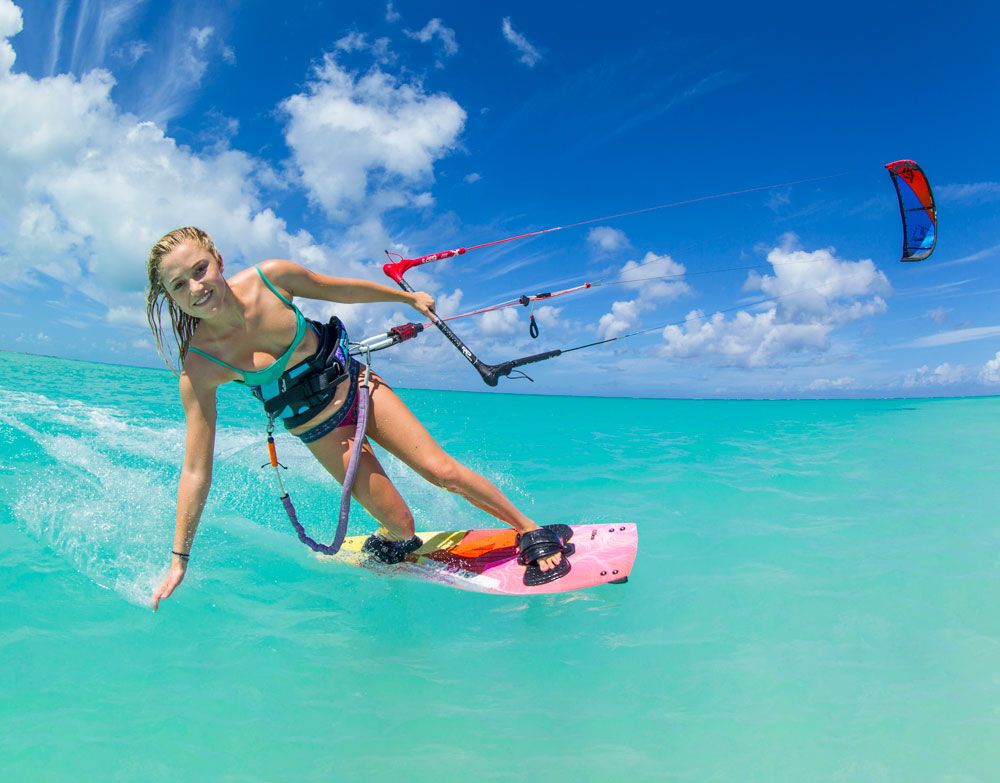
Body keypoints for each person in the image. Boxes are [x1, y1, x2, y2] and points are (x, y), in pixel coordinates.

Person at [146, 227, 573, 609]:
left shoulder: (271, 279)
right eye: (179, 285)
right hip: (319, 429)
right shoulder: (200, 365)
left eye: (200, 270)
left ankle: (528, 529)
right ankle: (387, 539)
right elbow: (196, 469)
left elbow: (342, 290)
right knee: (403, 527)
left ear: (218, 261)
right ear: (170, 297)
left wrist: (407, 298)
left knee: (442, 471)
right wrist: (179, 559)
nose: (196, 287)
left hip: (359, 387)